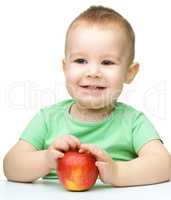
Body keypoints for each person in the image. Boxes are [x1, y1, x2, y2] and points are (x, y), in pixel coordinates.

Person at [3, 5, 171, 187]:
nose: (93, 72)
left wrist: (117, 172)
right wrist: (45, 160)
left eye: (107, 62)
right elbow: (10, 166)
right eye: (80, 61)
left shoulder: (132, 122)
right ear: (65, 68)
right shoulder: (47, 119)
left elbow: (164, 165)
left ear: (129, 73)